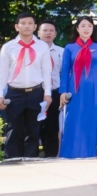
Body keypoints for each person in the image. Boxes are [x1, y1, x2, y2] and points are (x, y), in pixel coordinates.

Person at [1, 14, 52, 159]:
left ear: (35, 27)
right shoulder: (8, 47)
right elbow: (3, 72)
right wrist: (0, 94)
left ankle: (31, 163)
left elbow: (46, 71)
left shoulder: (42, 46)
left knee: (33, 131)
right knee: (13, 130)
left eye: (30, 23)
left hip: (36, 92)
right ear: (17, 27)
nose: (27, 26)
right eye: (23, 23)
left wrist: (47, 93)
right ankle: (11, 162)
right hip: (14, 93)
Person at [57, 17, 97, 159]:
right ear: (77, 28)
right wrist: (63, 91)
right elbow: (65, 71)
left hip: (92, 89)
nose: (86, 29)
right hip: (74, 89)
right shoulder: (69, 48)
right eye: (83, 25)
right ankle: (69, 154)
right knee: (73, 119)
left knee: (90, 121)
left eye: (89, 26)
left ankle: (88, 153)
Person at [37, 21, 64, 157]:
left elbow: (65, 74)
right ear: (38, 33)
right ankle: (32, 157)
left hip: (55, 93)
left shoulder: (61, 52)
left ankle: (51, 158)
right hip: (37, 92)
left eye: (51, 30)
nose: (48, 33)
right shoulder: (34, 50)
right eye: (45, 30)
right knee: (35, 127)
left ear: (55, 34)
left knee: (53, 128)